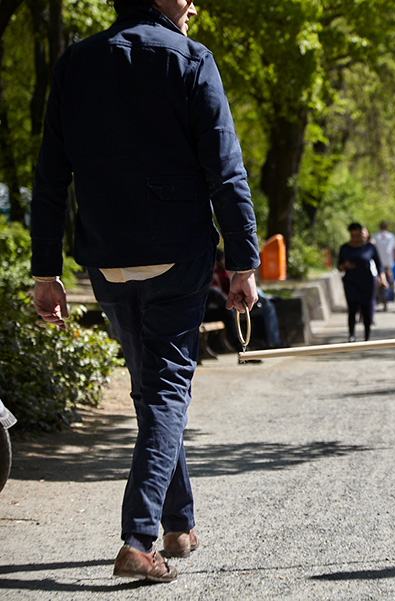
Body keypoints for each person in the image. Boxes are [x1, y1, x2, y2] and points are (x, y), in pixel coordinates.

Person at [30, 0, 260, 582]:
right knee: (164, 393)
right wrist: (242, 263)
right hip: (176, 255)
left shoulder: (74, 63)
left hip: (106, 259)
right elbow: (225, 171)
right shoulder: (190, 59)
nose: (194, 5)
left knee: (150, 390)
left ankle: (178, 523)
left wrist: (44, 270)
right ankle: (138, 538)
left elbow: (51, 176)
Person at [338, 223, 386, 342]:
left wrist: (383, 279)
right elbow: (339, 266)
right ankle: (351, 335)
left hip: (367, 282)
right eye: (352, 235)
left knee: (367, 308)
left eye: (357, 235)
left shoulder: (370, 247)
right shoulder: (344, 248)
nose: (355, 238)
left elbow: (379, 265)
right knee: (352, 308)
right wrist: (345, 265)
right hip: (351, 282)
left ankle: (367, 335)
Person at [371, 220, 395, 306]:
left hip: (377, 261)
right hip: (388, 261)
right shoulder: (391, 236)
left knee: (378, 279)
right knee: (390, 275)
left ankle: (376, 297)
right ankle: (392, 290)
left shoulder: (375, 236)